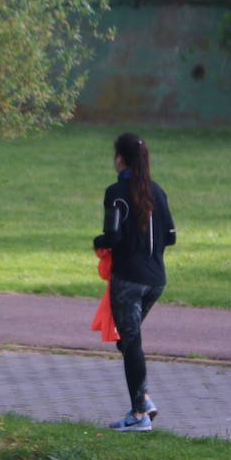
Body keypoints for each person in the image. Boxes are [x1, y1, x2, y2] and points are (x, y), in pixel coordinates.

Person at [93, 131, 176, 431]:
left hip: (128, 278)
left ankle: (139, 415)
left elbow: (113, 237)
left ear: (119, 159)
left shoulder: (116, 192)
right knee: (127, 339)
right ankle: (144, 399)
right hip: (156, 279)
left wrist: (97, 241)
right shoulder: (159, 192)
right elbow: (171, 237)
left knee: (130, 342)